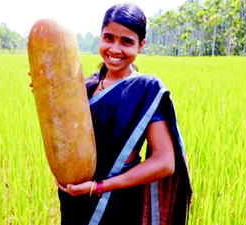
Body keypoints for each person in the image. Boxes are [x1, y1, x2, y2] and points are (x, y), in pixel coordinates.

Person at [29, 3, 192, 224]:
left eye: (126, 41)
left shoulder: (147, 90)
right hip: (75, 200)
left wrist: (98, 188)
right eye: (109, 38)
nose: (115, 49)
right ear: (101, 37)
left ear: (141, 45)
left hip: (118, 205)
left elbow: (165, 163)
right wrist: (48, 89)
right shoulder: (83, 87)